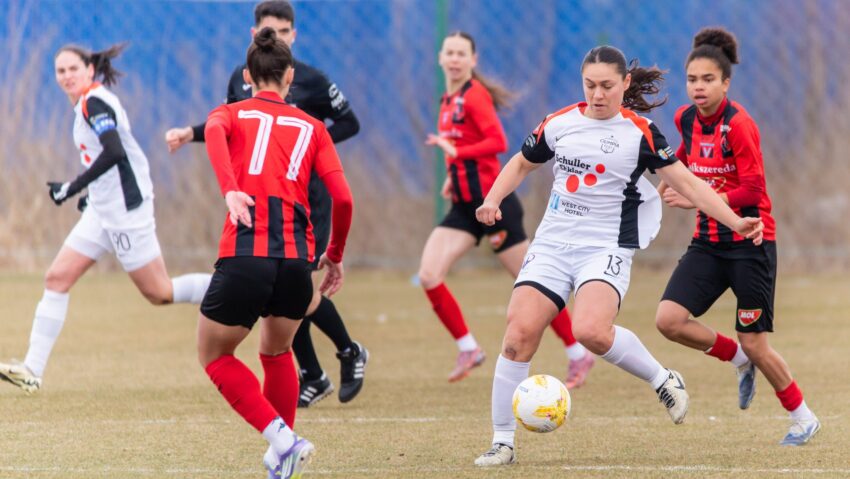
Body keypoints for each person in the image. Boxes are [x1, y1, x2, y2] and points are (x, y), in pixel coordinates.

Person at [473, 45, 764, 467]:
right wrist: (492, 199)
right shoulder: (559, 123)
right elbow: (520, 163)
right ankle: (502, 442)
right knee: (518, 337)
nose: (597, 94)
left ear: (625, 83)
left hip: (605, 247)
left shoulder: (640, 132)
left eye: (607, 86)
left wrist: (735, 220)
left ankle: (662, 379)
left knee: (590, 331)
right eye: (589, 85)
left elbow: (689, 183)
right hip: (553, 245)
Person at [165, 0, 367, 408]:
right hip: (259, 209)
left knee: (289, 298)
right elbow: (229, 125)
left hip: (301, 206)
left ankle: (345, 352)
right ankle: (315, 374)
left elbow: (224, 124)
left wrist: (305, 153)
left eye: (284, 30)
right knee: (288, 299)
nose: (277, 37)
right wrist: (191, 133)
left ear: (294, 36)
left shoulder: (311, 86)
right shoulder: (276, 108)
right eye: (269, 31)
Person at [0, 44, 211, 394]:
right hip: (103, 208)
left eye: (73, 69)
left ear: (89, 70)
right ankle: (32, 370)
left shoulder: (93, 103)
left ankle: (234, 289)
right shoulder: (87, 102)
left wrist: (72, 187)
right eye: (60, 71)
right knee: (57, 278)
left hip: (126, 210)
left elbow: (114, 151)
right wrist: (90, 195)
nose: (66, 76)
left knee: (159, 292)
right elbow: (109, 157)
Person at [198, 27, 353, 478]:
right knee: (278, 351)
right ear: (289, 77)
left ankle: (283, 440)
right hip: (296, 261)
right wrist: (335, 253)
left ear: (247, 76)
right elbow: (344, 200)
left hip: (246, 253)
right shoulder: (314, 128)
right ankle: (282, 454)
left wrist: (230, 188)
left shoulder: (230, 112)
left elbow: (213, 130)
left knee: (215, 356)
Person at [654, 27, 820, 446]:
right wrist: (663, 186)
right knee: (668, 321)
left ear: (726, 83)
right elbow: (684, 161)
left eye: (708, 79)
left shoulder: (739, 125)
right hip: (708, 244)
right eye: (692, 79)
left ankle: (803, 417)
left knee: (757, 342)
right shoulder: (685, 119)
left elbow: (753, 191)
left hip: (750, 244)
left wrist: (699, 198)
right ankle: (736, 357)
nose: (698, 87)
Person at [420, 31, 591, 385]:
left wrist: (457, 154)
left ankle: (578, 353)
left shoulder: (474, 95)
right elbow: (464, 146)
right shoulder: (448, 99)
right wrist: (453, 175)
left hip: (493, 205)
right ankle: (468, 348)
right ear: (440, 58)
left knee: (535, 283)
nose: (454, 59)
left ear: (473, 60)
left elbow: (496, 142)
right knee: (429, 274)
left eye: (461, 54)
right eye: (449, 53)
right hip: (464, 207)